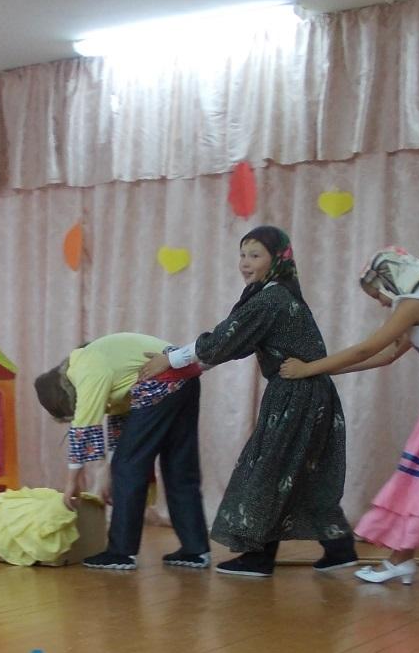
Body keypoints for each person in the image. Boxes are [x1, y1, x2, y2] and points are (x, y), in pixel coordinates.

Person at [280, 248, 419, 587]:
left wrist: (307, 368)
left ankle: (400, 559)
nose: (383, 303)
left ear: (391, 280)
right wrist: (324, 372)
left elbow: (368, 348)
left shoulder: (413, 303)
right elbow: (387, 355)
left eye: (379, 294)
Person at [138, 226, 354, 578]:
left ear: (277, 259)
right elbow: (232, 344)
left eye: (255, 255)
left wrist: (171, 359)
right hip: (308, 394)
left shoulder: (272, 298)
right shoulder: (275, 294)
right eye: (242, 254)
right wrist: (186, 365)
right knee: (300, 473)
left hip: (296, 393)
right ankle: (340, 548)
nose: (245, 263)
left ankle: (258, 557)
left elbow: (224, 339)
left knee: (267, 471)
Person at [33, 332, 209, 570]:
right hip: (185, 378)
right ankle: (195, 550)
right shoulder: (109, 368)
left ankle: (121, 553)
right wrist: (107, 471)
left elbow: (83, 427)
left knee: (128, 468)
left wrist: (72, 482)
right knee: (178, 465)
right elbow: (122, 429)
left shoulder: (85, 368)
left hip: (160, 380)